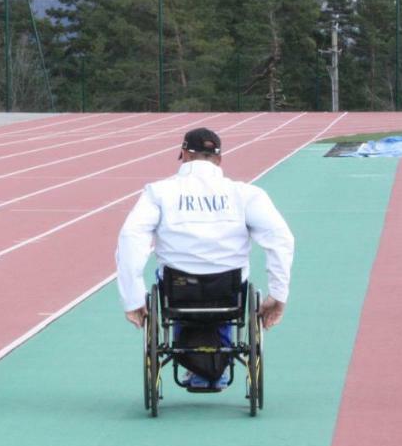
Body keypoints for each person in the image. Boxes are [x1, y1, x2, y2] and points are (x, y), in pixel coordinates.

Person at [115, 127, 294, 390]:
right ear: (219, 159)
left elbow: (131, 238)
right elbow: (281, 239)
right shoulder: (246, 194)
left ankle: (192, 362)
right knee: (228, 283)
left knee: (174, 282)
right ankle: (215, 367)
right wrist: (278, 294)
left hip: (178, 290)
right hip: (228, 289)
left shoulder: (158, 192)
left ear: (185, 155)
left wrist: (133, 297)